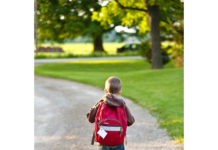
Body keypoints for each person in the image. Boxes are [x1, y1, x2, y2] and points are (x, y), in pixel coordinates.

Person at [86, 76, 135, 150]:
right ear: (120, 91)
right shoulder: (122, 104)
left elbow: (90, 118)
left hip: (103, 139)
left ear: (105, 91)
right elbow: (130, 121)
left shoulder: (101, 103)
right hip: (118, 140)